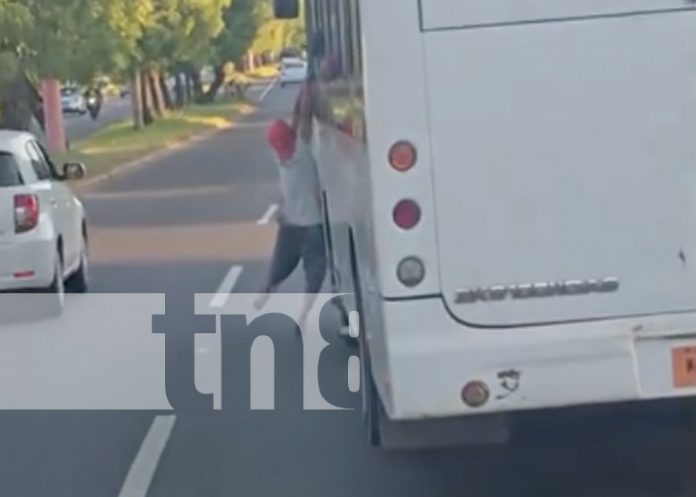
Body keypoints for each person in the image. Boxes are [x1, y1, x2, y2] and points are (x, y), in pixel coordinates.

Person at [254, 119, 327, 329]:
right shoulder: (279, 155)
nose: (282, 154)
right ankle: (266, 291)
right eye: (278, 149)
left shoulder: (304, 152)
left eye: (285, 148)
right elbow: (287, 189)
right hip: (290, 224)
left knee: (314, 275)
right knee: (279, 266)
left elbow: (302, 118)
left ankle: (303, 316)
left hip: (313, 224)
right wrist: (282, 209)